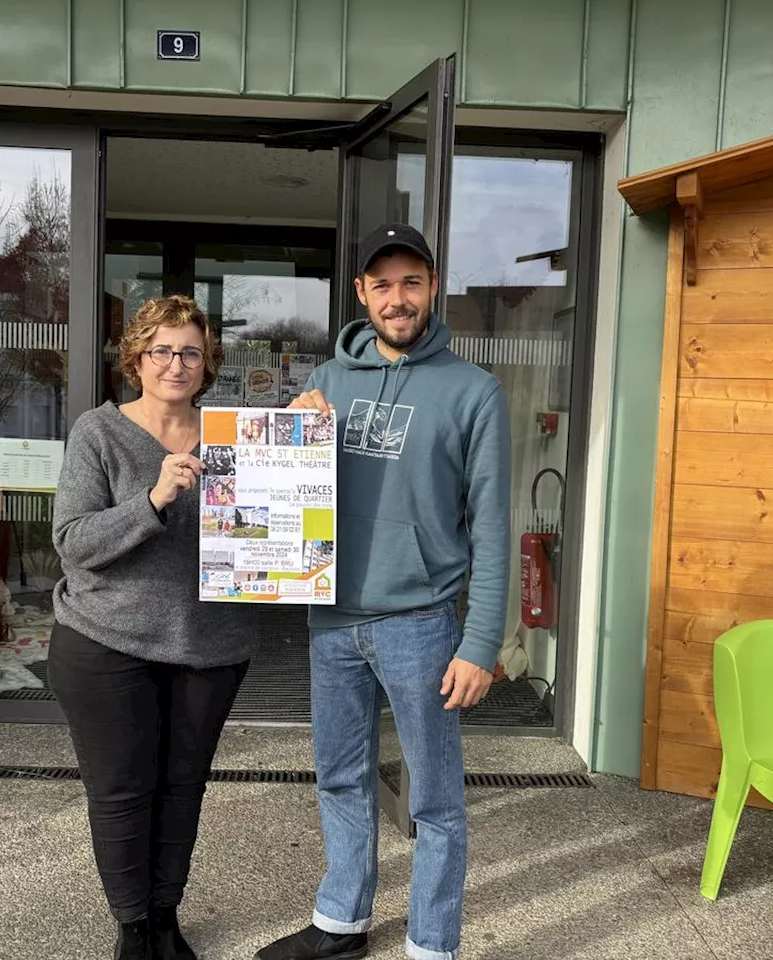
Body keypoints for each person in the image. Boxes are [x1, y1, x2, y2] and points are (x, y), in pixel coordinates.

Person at [256, 224, 511, 960]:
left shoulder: (475, 393)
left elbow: (492, 527)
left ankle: (432, 944)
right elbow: (280, 496)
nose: (396, 299)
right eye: (381, 284)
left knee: (434, 800)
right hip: (332, 619)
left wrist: (481, 641)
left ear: (432, 287)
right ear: (361, 293)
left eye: (411, 282)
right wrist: (286, 436)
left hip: (421, 624)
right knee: (339, 778)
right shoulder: (327, 384)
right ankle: (342, 922)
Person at [49, 294, 257, 960]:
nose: (176, 363)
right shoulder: (99, 433)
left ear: (207, 363)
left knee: (183, 788)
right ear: (136, 357)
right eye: (161, 349)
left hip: (210, 645)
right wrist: (154, 499)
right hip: (106, 641)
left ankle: (167, 916)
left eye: (190, 351)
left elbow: (275, 518)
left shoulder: (235, 434)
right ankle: (133, 928)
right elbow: (74, 542)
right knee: (122, 791)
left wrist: (306, 423)